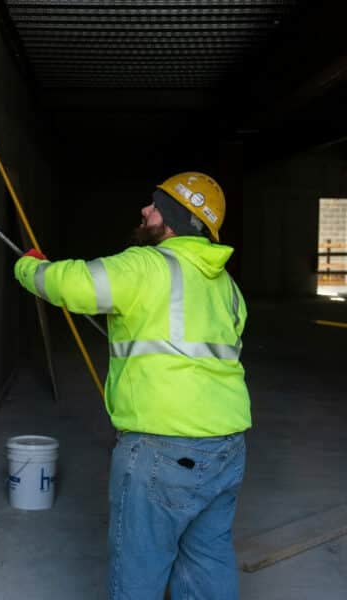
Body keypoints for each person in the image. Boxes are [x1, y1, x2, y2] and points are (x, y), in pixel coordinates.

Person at [14, 172, 251, 600]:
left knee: (139, 568)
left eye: (156, 205)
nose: (145, 210)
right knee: (207, 559)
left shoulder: (146, 265)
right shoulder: (229, 288)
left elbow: (71, 283)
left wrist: (30, 266)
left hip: (162, 449)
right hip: (227, 448)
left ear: (176, 218)